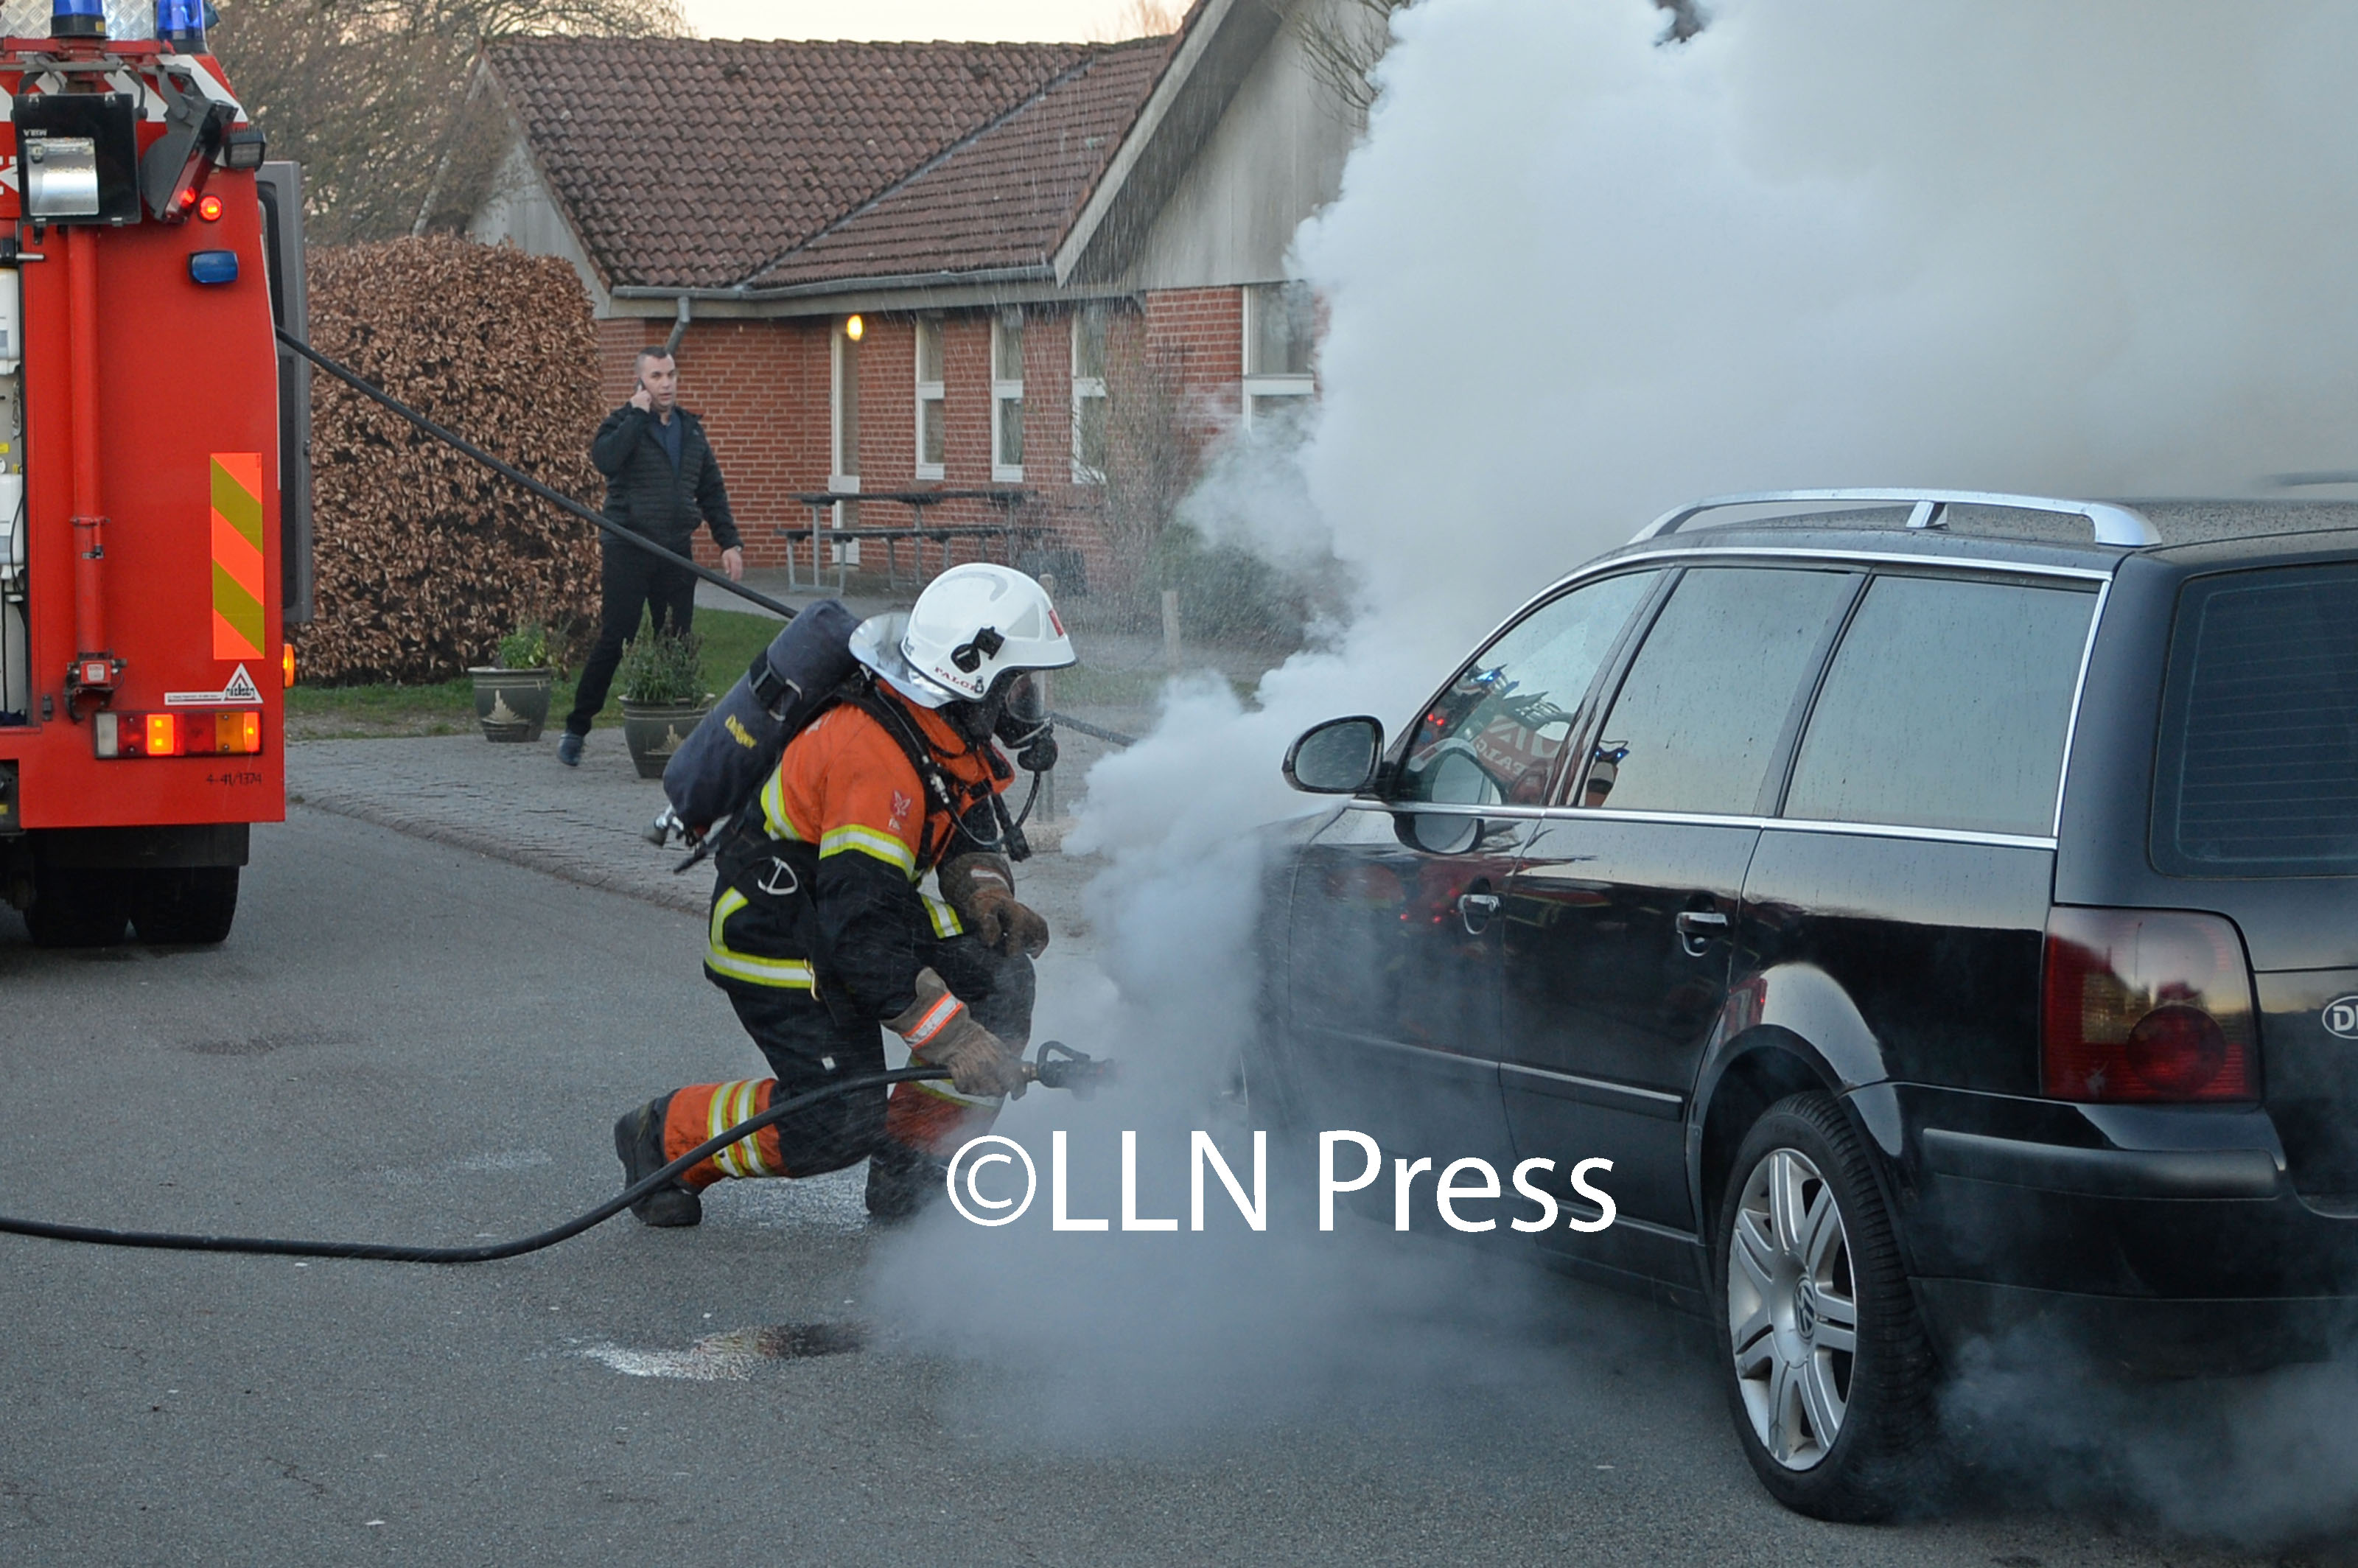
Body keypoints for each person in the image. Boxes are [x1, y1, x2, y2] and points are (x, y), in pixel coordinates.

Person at [612, 563, 1075, 1223]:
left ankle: (914, 1165)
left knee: (1001, 978)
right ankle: (665, 1139)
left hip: (845, 912)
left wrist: (984, 896)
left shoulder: (945, 730)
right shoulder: (873, 754)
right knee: (837, 1116)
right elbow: (862, 937)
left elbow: (965, 840)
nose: (1028, 705)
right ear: (971, 675)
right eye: (1019, 685)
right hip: (775, 933)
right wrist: (954, 1039)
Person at [559, 346, 746, 766]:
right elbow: (606, 460)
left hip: (675, 551)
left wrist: (729, 543)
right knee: (616, 636)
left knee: (676, 642)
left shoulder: (691, 431)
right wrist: (636, 415)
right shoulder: (623, 424)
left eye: (671, 375)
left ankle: (673, 740)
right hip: (628, 547)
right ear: (641, 383)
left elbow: (711, 491)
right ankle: (576, 729)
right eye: (657, 376)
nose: (667, 384)